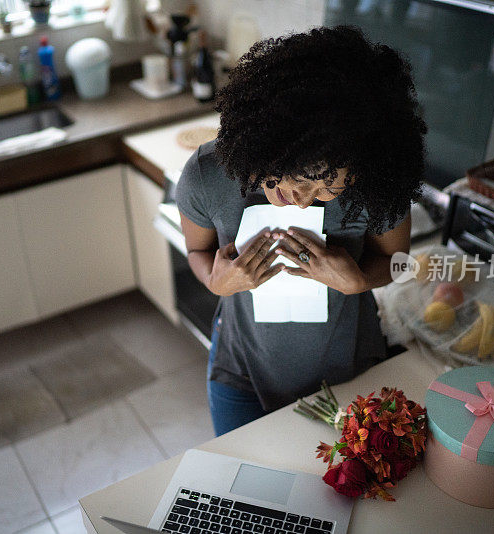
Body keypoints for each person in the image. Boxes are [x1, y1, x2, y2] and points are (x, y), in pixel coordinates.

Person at [176, 25, 427, 436]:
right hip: (241, 375)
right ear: (264, 142)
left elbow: (401, 265)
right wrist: (215, 282)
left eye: (329, 187)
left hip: (352, 375)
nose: (304, 200)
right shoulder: (207, 175)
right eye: (290, 179)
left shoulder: (379, 186)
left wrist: (361, 280)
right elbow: (197, 253)